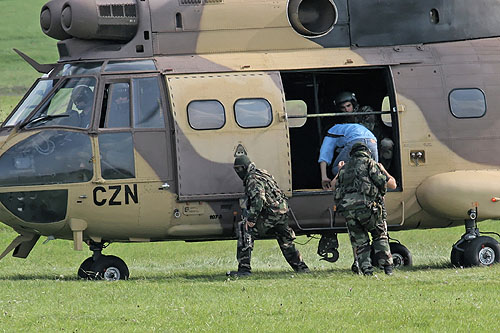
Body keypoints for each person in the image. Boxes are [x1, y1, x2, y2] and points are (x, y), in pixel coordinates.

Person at [227, 155, 310, 277]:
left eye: (239, 169)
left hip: (270, 213)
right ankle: (301, 268)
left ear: (244, 168)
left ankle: (244, 270)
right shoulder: (263, 173)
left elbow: (259, 199)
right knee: (285, 240)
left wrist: (251, 219)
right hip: (282, 211)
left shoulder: (252, 178)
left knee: (245, 230)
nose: (238, 173)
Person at [333, 142, 397, 276]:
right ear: (367, 152)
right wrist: (383, 170)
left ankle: (367, 270)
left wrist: (339, 171)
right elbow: (387, 183)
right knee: (379, 236)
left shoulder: (345, 168)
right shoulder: (370, 163)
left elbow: (333, 186)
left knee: (360, 241)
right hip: (369, 208)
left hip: (349, 211)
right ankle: (387, 268)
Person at [318, 123, 378, 190]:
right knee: (373, 168)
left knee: (336, 169)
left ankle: (344, 189)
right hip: (373, 141)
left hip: (355, 140)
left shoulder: (331, 132)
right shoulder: (348, 127)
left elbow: (325, 153)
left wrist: (324, 177)